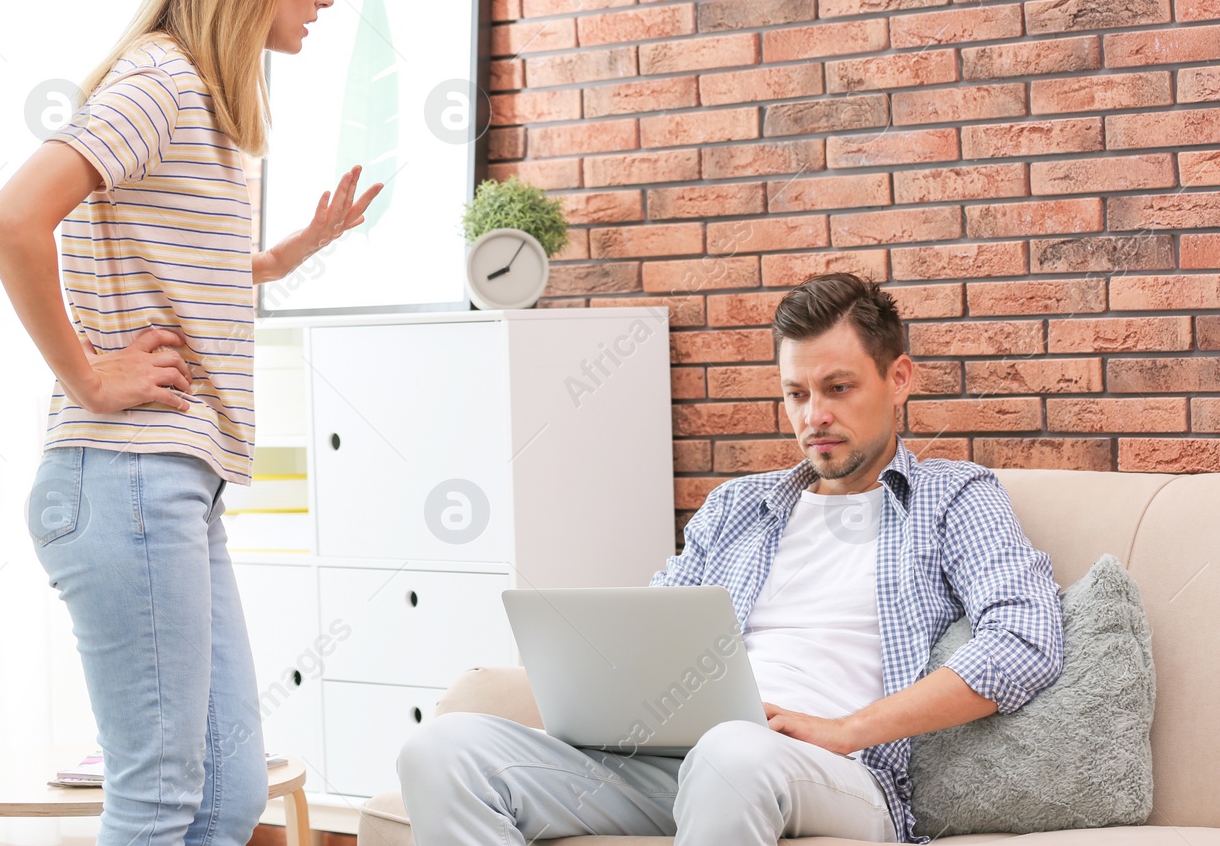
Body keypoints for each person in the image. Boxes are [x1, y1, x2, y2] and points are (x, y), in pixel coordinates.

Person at [0, 0, 382, 846]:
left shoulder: (201, 100)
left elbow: (169, 258)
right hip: (122, 476)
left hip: (173, 487)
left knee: (229, 788)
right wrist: (87, 373)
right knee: (162, 795)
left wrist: (282, 256)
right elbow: (11, 219)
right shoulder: (160, 79)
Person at [397, 272, 1065, 845]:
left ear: (899, 379)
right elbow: (653, 625)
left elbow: (1024, 639)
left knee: (731, 751)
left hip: (840, 771)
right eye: (797, 394)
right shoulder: (737, 506)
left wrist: (845, 728)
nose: (814, 416)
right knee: (442, 750)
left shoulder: (954, 497)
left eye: (838, 387)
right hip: (684, 759)